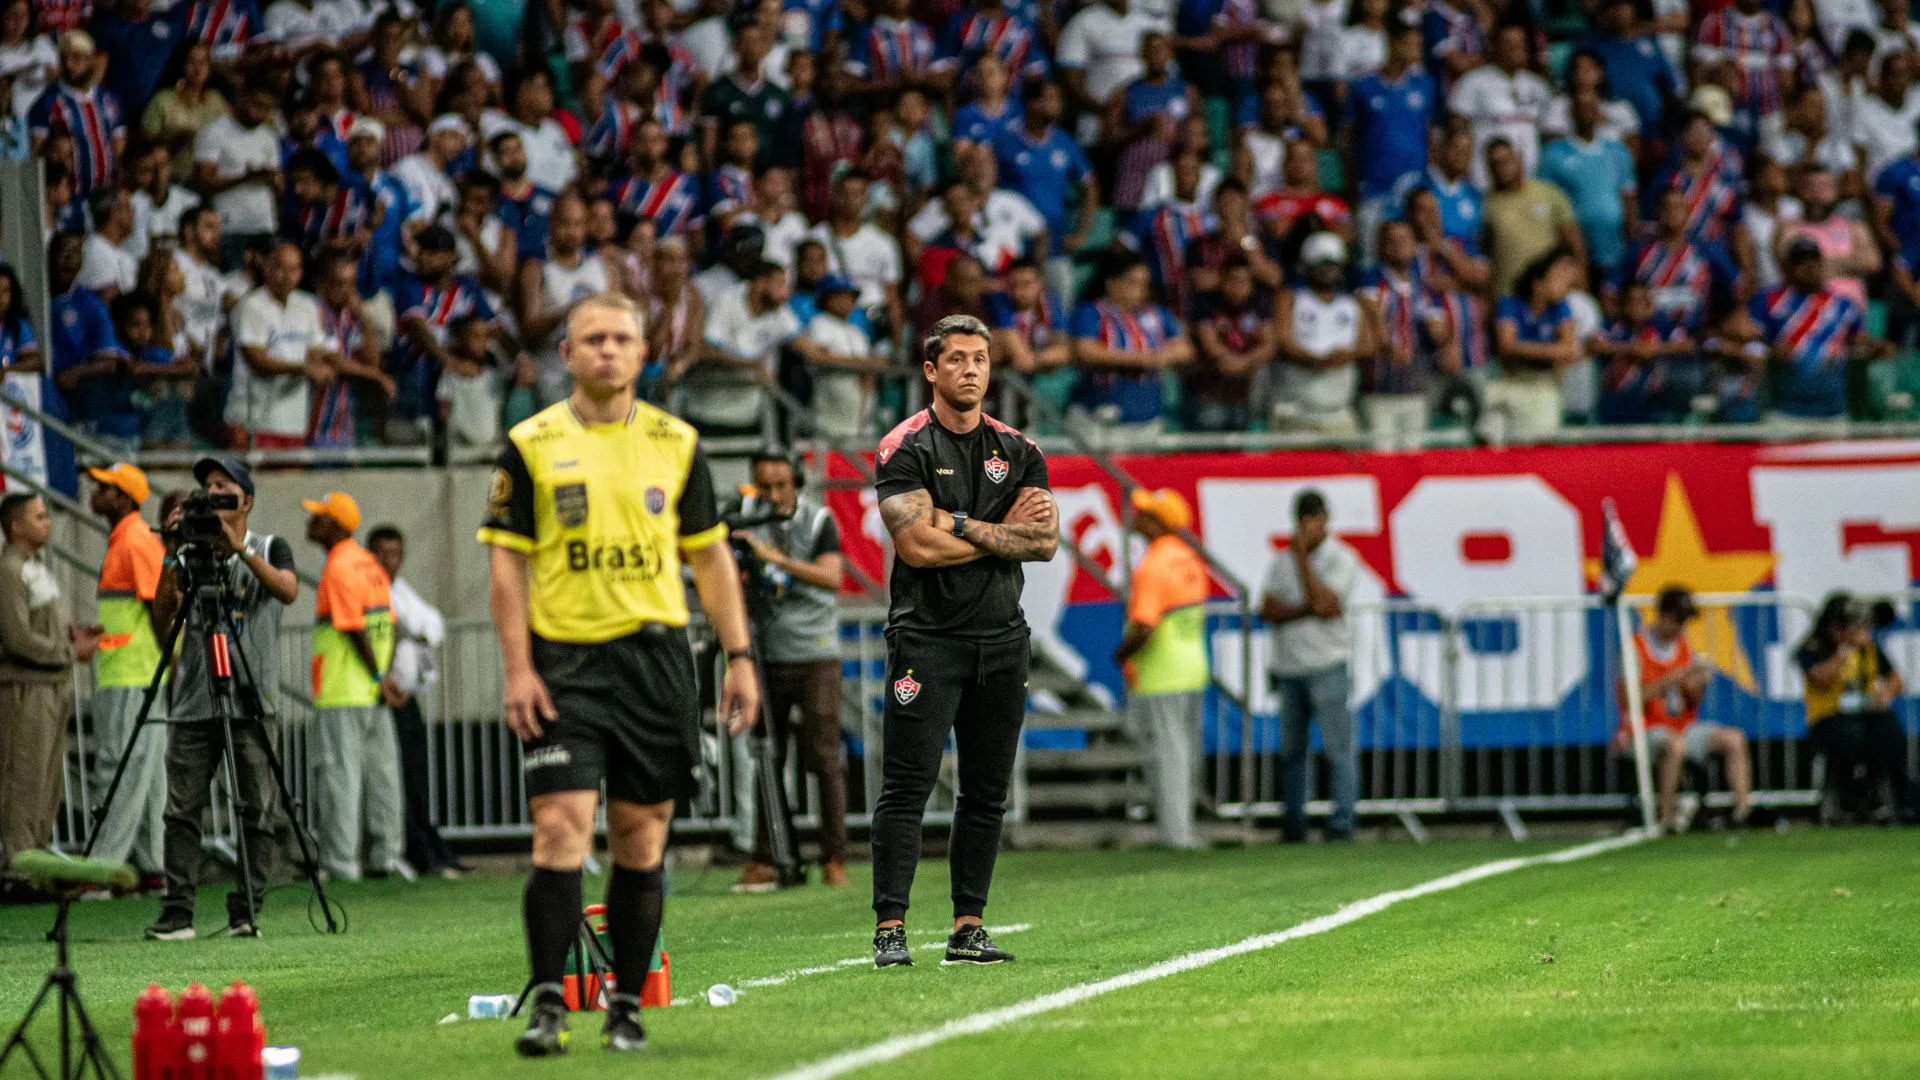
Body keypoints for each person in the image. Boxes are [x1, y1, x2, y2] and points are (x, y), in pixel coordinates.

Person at [481, 291, 759, 1057]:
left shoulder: (678, 442)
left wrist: (740, 659)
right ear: (565, 354)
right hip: (565, 665)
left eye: (622, 339)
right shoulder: (530, 442)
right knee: (560, 826)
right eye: (593, 338)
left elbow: (709, 558)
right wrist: (517, 669)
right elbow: (507, 565)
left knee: (641, 839)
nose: (608, 350)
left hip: (656, 662)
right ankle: (546, 1004)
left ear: (643, 354)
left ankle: (626, 1006)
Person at [870, 313, 1057, 968]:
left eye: (980, 358)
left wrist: (959, 523)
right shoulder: (905, 448)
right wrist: (995, 528)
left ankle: (967, 926)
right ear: (931, 370)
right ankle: (890, 926)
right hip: (928, 638)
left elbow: (1046, 542)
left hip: (1002, 640)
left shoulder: (1019, 449)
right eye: (956, 359)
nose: (971, 369)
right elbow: (917, 546)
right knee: (908, 784)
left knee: (987, 790)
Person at [147, 458, 298, 941]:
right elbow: (162, 623)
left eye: (223, 487)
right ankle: (177, 914)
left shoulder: (270, 546)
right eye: (206, 487)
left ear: (246, 500)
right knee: (181, 810)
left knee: (257, 808)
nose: (212, 494)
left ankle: (246, 910)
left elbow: (288, 590)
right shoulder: (190, 555)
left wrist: (239, 550)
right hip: (195, 700)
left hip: (252, 699)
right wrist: (173, 553)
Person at [731, 451, 850, 892]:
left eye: (783, 485)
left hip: (815, 651)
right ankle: (770, 856)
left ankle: (834, 857)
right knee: (766, 755)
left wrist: (773, 558)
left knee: (823, 756)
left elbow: (832, 577)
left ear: (797, 484)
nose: (775, 496)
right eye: (766, 487)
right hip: (762, 653)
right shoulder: (742, 519)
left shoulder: (819, 521)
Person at [303, 491, 403, 882]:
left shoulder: (338, 566)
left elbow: (352, 626)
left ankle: (341, 864)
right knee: (382, 776)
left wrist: (378, 676)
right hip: (371, 692)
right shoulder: (371, 565)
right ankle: (385, 856)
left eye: (320, 517)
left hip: (342, 689)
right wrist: (383, 677)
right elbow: (388, 625)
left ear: (339, 526)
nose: (311, 523)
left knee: (339, 777)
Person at [0, 494, 100, 878]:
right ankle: (18, 866)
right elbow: (17, 638)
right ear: (16, 526)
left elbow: (37, 627)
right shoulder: (9, 570)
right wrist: (69, 649)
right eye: (39, 517)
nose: (48, 522)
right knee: (23, 777)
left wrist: (72, 634)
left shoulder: (35, 566)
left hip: (53, 686)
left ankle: (35, 860)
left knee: (46, 781)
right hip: (26, 690)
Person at [1259, 489, 1359, 843]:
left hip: (1327, 663)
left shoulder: (1341, 558)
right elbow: (1268, 609)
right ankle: (1294, 824)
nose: (1306, 528)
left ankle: (1342, 824)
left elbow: (1327, 603)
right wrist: (1306, 609)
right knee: (1292, 753)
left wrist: (1302, 563)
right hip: (1289, 668)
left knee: (1337, 749)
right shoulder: (1279, 561)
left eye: (1313, 519)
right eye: (1301, 520)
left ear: (1325, 520)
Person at [1614, 587, 1758, 831]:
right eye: (1678, 620)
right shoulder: (1635, 649)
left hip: (1681, 726)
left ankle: (1742, 811)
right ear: (1663, 615)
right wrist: (1668, 681)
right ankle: (1666, 817)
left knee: (1734, 739)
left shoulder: (1683, 647)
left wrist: (1696, 686)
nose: (1682, 627)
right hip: (1644, 730)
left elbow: (1689, 703)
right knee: (1675, 745)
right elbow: (1629, 701)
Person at [1114, 488, 1210, 850]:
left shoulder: (1154, 564)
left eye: (1145, 513)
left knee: (1168, 756)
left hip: (1161, 674)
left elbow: (1145, 625)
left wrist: (1122, 654)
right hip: (1192, 667)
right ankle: (1184, 829)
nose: (1136, 518)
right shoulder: (1189, 558)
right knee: (1184, 753)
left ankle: (1176, 836)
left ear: (1158, 523)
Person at [84, 463, 167, 873]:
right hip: (133, 671)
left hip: (132, 675)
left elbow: (159, 610)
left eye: (105, 488)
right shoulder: (126, 539)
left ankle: (102, 868)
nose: (95, 492)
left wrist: (170, 661)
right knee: (146, 775)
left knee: (120, 770)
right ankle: (155, 865)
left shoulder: (135, 540)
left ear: (125, 498)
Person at [366, 525, 462, 878]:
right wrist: (411, 631)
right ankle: (405, 847)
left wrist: (414, 630)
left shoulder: (400, 589)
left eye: (396, 554)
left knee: (416, 771)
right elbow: (402, 625)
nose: (390, 562)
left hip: (408, 694)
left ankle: (426, 842)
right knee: (395, 775)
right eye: (383, 554)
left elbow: (433, 623)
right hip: (383, 694)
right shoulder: (372, 587)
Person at [1797, 593, 1915, 822]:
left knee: (1890, 731)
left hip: (1864, 715)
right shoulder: (1813, 647)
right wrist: (1843, 651)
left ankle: (1896, 796)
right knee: (1849, 736)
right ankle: (1850, 796)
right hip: (1828, 718)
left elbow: (1897, 679)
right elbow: (1820, 679)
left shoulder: (1868, 647)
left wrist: (1885, 693)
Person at [1745, 237, 1889, 422]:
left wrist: (1877, 347)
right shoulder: (1768, 301)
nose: (1808, 267)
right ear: (1788, 268)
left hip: (1833, 411)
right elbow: (1749, 341)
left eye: (1814, 260)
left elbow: (1859, 341)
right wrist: (1771, 352)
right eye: (1800, 261)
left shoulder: (1844, 306)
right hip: (1785, 411)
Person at [228, 243, 337, 449]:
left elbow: (317, 352)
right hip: (252, 419)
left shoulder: (307, 305)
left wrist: (316, 364)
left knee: (291, 481)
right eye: (280, 267)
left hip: (293, 422)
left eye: (293, 269)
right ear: (267, 267)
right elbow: (256, 361)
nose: (286, 276)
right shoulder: (251, 305)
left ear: (301, 272)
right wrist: (302, 367)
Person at [1272, 232, 1372, 436]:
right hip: (1296, 412)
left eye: (1333, 264)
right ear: (1306, 267)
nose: (1328, 270)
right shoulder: (1291, 298)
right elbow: (1282, 340)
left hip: (1338, 411)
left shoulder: (1352, 304)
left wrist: (1343, 356)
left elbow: (1367, 344)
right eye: (1321, 264)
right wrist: (1316, 360)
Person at [1490, 246, 1583, 442]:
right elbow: (1506, 345)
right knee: (1498, 442)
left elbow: (1568, 349)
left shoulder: (1561, 308)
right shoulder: (1510, 304)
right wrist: (1551, 351)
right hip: (1510, 382)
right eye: (1557, 278)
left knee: (1542, 444)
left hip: (1544, 385)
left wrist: (1523, 349)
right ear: (1538, 284)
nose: (1566, 284)